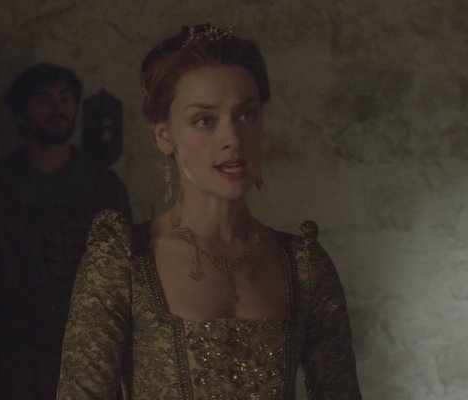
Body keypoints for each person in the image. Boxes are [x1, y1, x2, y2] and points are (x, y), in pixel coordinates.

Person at [57, 25, 362, 399]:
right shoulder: (124, 261)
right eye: (205, 120)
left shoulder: (303, 266)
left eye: (246, 115)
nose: (232, 138)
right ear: (164, 135)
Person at [0, 64, 131, 400]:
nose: (57, 108)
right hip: (18, 368)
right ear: (21, 114)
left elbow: (125, 289)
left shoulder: (105, 189)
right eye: (43, 99)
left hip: (92, 365)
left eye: (65, 98)